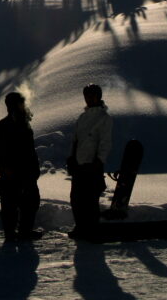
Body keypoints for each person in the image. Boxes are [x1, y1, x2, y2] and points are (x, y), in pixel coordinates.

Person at [67, 83, 113, 239]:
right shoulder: (82, 117)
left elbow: (105, 142)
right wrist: (72, 158)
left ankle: (92, 228)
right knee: (76, 198)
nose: (88, 98)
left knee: (91, 200)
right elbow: (76, 140)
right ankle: (81, 227)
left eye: (92, 95)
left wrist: (99, 161)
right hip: (79, 165)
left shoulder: (103, 118)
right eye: (86, 95)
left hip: (92, 165)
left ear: (98, 96)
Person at [0, 91, 42, 242]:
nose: (23, 106)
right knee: (10, 203)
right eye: (20, 103)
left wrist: (35, 169)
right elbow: (1, 149)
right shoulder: (5, 125)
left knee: (30, 201)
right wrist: (4, 168)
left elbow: (30, 149)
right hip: (12, 171)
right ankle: (10, 233)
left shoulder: (25, 124)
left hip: (27, 170)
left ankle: (25, 231)